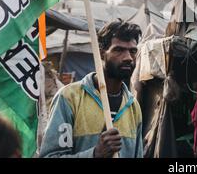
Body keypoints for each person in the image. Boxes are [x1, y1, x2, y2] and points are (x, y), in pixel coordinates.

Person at [40, 19, 143, 158]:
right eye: (119, 50)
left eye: (133, 51)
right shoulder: (69, 98)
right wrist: (95, 154)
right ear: (101, 54)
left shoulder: (133, 107)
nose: (128, 58)